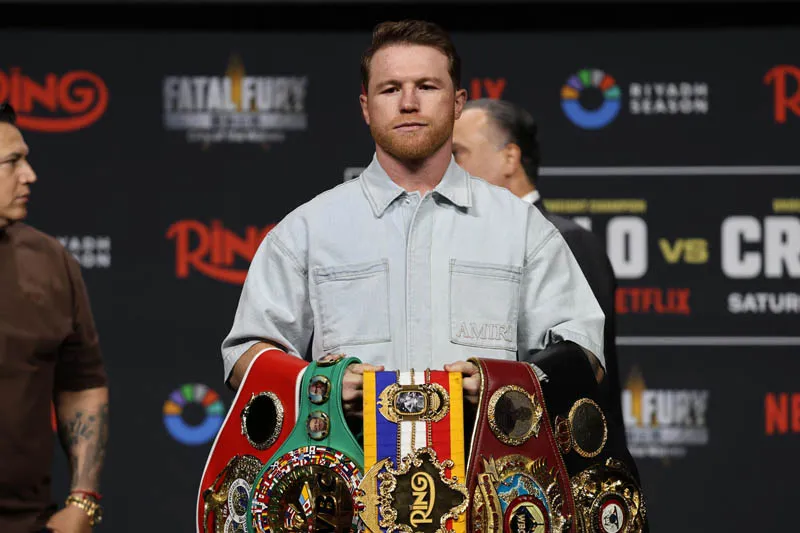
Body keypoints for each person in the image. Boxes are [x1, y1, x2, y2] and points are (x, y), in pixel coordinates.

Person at [221, 20, 605, 422]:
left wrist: (501, 387)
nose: (408, 103)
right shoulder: (308, 229)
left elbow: (585, 352)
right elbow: (245, 354)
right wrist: (321, 386)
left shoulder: (521, 228)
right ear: (366, 107)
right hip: (348, 479)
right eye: (390, 89)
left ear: (457, 103)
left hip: (488, 479)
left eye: (427, 86)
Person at [453, 98, 633, 457]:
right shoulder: (470, 246)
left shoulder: (566, 240)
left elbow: (584, 364)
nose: (449, 168)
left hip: (562, 463)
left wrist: (493, 384)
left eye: (459, 153)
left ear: (510, 158)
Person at [0, 103, 109, 533]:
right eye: (13, 162)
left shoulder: (49, 261)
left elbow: (82, 384)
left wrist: (83, 500)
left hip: (29, 522)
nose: (30, 174)